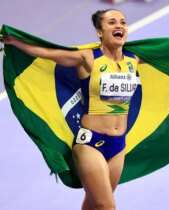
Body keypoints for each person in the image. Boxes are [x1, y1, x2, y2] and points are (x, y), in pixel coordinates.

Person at [2, 9, 139, 210]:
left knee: (93, 203)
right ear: (100, 32)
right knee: (106, 206)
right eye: (111, 22)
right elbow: (49, 54)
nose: (119, 25)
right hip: (91, 144)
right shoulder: (87, 58)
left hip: (118, 145)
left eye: (122, 22)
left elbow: (167, 54)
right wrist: (17, 42)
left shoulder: (133, 60)